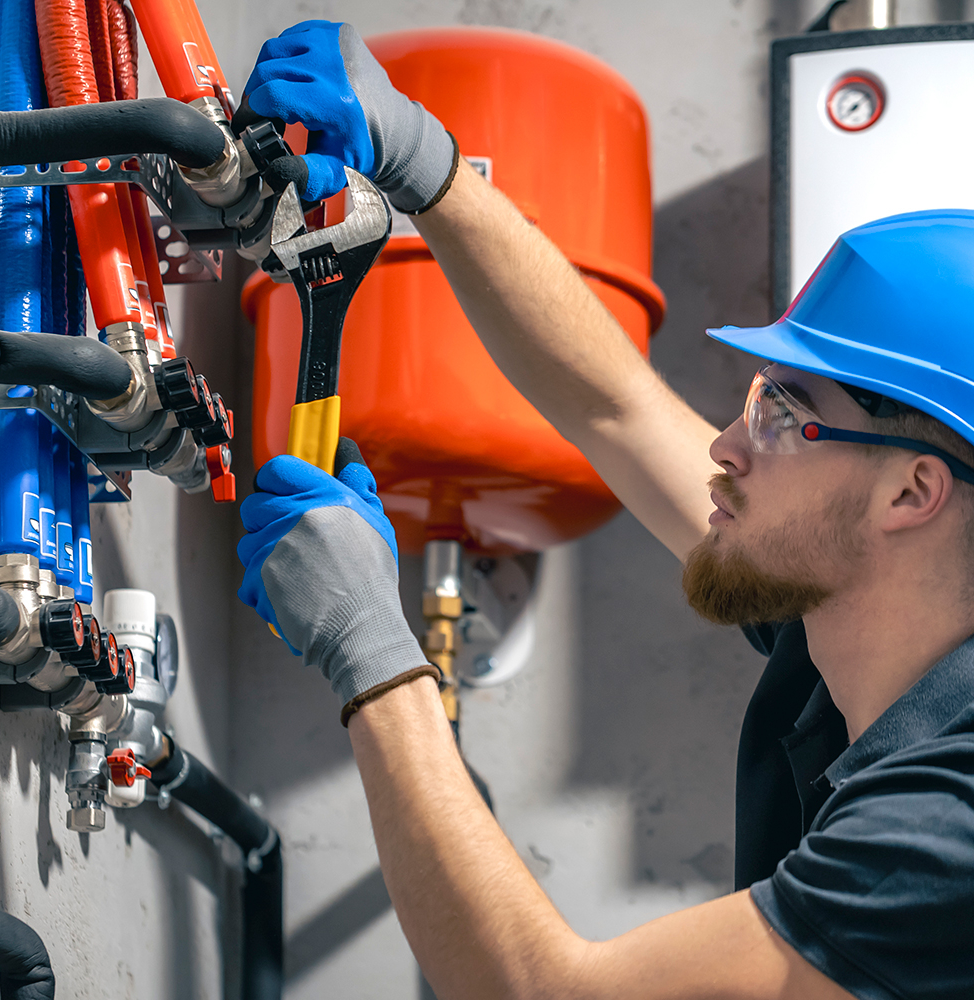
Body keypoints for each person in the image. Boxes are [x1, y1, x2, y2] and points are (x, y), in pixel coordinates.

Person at [236, 20, 974, 1000]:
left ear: (910, 492)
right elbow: (613, 406)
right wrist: (425, 162)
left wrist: (371, 653)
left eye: (785, 415)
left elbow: (547, 994)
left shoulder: (947, 823)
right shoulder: (844, 624)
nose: (725, 443)